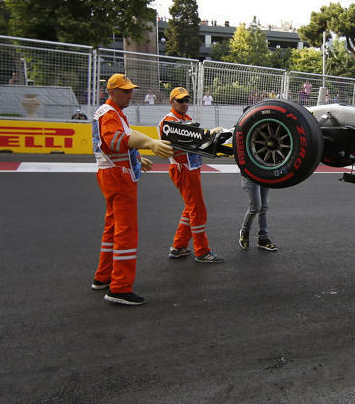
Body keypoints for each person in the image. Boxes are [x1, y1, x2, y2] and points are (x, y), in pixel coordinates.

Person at [91, 73, 173, 306]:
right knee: (126, 231)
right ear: (112, 92)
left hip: (111, 172)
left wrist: (136, 157)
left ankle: (103, 277)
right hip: (118, 176)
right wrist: (149, 143)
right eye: (125, 91)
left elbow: (119, 143)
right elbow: (115, 140)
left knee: (112, 228)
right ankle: (120, 287)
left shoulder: (109, 112)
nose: (130, 94)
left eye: (130, 90)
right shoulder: (110, 114)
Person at [159, 87, 225, 263]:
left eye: (187, 99)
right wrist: (208, 135)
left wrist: (211, 138)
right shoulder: (168, 121)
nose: (184, 103)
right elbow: (180, 145)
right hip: (183, 169)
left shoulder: (185, 119)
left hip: (191, 168)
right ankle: (202, 251)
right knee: (198, 210)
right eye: (180, 100)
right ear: (171, 102)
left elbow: (197, 142)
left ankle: (179, 246)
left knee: (191, 209)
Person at [239, 175, 278, 252]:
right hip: (250, 176)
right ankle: (244, 231)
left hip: (264, 176)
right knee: (256, 207)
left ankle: (263, 238)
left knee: (264, 207)